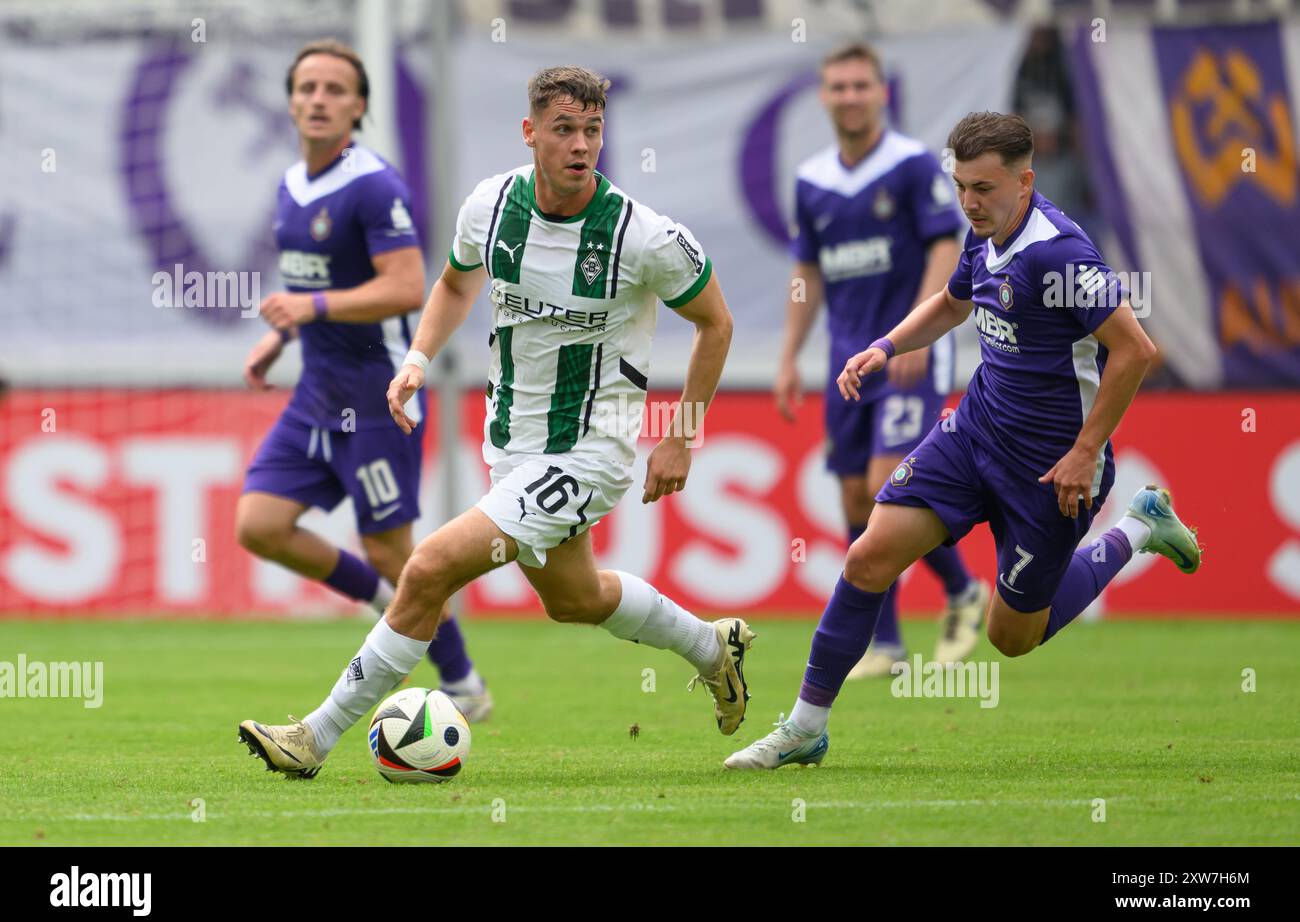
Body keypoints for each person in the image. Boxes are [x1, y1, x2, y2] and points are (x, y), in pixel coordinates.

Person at [239, 65, 752, 779]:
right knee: (576, 599)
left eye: (593, 130)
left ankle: (313, 738)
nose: (581, 146)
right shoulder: (492, 205)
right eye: (565, 129)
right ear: (531, 132)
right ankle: (710, 648)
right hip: (513, 442)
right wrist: (417, 359)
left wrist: (681, 434)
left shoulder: (643, 236)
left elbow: (715, 323)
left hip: (589, 451)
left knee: (428, 569)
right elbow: (453, 282)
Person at [727, 111, 1201, 769]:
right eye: (962, 187)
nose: (970, 202)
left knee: (1012, 637)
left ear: (1025, 180)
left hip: (1053, 467)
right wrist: (886, 346)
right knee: (868, 557)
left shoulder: (1060, 253)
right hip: (974, 433)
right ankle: (806, 727)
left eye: (985, 187)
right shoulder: (982, 234)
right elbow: (954, 303)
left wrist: (1085, 452)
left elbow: (1135, 351)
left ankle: (1139, 530)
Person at [237, 39, 490, 723]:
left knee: (393, 552)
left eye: (335, 89)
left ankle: (463, 679)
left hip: (378, 398)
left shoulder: (373, 183)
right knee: (259, 525)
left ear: (359, 106)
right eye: (307, 87)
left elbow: (407, 285)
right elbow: (314, 283)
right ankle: (386, 600)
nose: (319, 99)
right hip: (315, 393)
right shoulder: (290, 187)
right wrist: (280, 334)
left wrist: (310, 309)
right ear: (290, 100)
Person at [775, 43, 987, 676]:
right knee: (853, 502)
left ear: (881, 92)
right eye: (837, 87)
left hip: (903, 356)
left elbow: (945, 248)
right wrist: (788, 356)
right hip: (847, 361)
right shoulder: (812, 181)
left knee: (885, 484)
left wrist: (911, 340)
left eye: (860, 86)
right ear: (823, 95)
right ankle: (887, 643)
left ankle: (963, 589)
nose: (849, 97)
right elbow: (807, 272)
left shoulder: (912, 166)